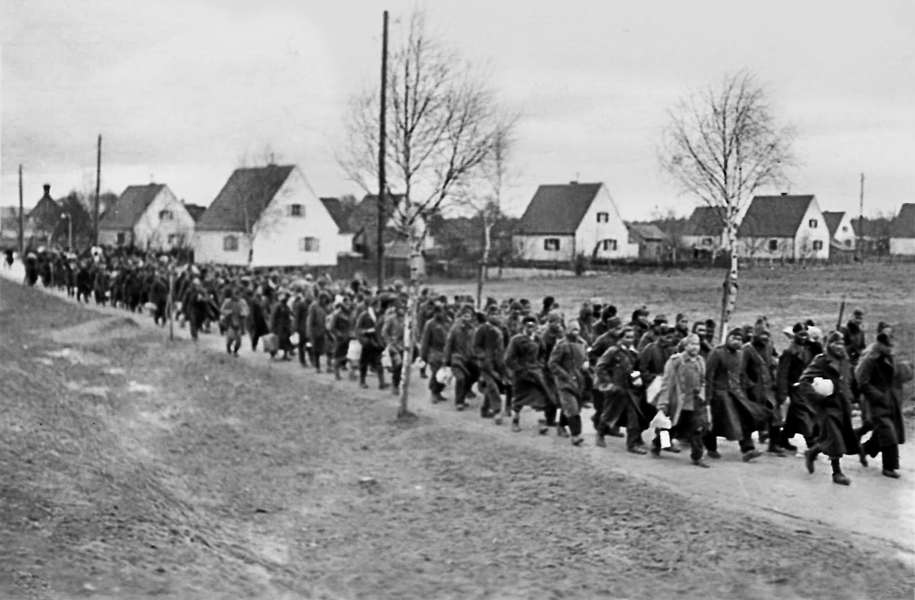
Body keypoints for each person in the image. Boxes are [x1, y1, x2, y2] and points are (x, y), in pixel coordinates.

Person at [799, 331, 860, 485]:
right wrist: (819, 397)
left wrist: (854, 399)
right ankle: (837, 473)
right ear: (829, 344)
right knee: (835, 438)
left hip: (842, 404)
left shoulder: (845, 361)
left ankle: (812, 452)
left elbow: (849, 382)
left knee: (836, 436)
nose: (839, 347)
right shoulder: (821, 361)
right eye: (835, 343)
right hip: (826, 406)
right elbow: (804, 382)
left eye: (841, 343)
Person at [855, 325, 910, 478]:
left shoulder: (889, 358)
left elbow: (896, 376)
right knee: (889, 434)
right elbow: (862, 382)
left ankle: (865, 449)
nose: (890, 348)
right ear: (880, 345)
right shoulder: (870, 359)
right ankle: (889, 467)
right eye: (888, 345)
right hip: (876, 403)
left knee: (884, 433)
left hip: (891, 402)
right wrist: (878, 396)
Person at [703, 328, 765, 462]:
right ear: (728, 338)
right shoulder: (717, 353)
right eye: (734, 338)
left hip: (737, 394)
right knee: (714, 423)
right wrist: (708, 399)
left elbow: (741, 374)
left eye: (740, 339)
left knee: (745, 419)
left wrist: (749, 389)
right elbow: (709, 377)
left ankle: (748, 449)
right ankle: (710, 448)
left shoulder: (740, 354)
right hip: (719, 395)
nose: (737, 342)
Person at [654, 334, 710, 466]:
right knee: (669, 427)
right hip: (677, 402)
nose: (695, 347)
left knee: (698, 428)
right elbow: (667, 383)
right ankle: (659, 444)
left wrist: (703, 396)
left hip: (694, 402)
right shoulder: (675, 361)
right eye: (692, 344)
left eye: (697, 344)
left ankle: (697, 457)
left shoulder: (701, 361)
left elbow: (703, 381)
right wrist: (663, 403)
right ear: (685, 346)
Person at [595, 326, 650, 453]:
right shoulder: (613, 351)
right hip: (615, 390)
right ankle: (600, 434)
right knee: (609, 414)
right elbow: (600, 367)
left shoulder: (633, 354)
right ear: (620, 338)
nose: (630, 340)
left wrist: (637, 380)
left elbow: (634, 370)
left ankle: (632, 444)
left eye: (632, 337)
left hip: (629, 391)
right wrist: (609, 383)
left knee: (633, 418)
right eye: (627, 337)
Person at [504, 315, 555, 432]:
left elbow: (543, 353)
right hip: (521, 375)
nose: (530, 328)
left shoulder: (538, 339)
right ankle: (515, 421)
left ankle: (542, 423)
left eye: (533, 326)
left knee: (540, 397)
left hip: (536, 374)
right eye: (528, 326)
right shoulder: (516, 340)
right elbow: (509, 359)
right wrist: (519, 369)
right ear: (523, 326)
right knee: (518, 400)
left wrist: (540, 365)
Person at [741, 326, 784, 456]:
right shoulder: (747, 350)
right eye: (762, 334)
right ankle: (748, 447)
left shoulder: (768, 347)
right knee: (750, 419)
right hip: (754, 391)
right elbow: (742, 371)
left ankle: (774, 444)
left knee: (776, 417)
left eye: (767, 335)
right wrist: (750, 386)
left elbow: (772, 365)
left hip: (768, 389)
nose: (765, 337)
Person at [548, 320, 588, 446]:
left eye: (577, 329)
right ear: (567, 330)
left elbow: (585, 356)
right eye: (573, 329)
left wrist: (586, 362)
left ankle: (561, 425)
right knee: (572, 407)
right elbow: (552, 363)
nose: (575, 332)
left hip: (579, 380)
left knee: (573, 406)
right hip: (564, 382)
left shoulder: (582, 343)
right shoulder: (561, 345)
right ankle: (576, 435)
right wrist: (565, 375)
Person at [778, 323, 814, 452]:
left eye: (805, 334)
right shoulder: (789, 352)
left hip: (803, 388)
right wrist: (783, 393)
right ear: (795, 335)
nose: (804, 337)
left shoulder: (806, 350)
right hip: (792, 388)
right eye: (801, 334)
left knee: (793, 417)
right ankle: (811, 442)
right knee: (802, 414)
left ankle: (782, 438)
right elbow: (782, 373)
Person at [444, 305, 478, 411]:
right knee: (460, 378)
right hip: (457, 359)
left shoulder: (473, 329)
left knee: (475, 374)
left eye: (469, 316)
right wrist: (446, 360)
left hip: (469, 359)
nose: (467, 318)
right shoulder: (455, 329)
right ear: (461, 316)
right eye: (465, 315)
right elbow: (449, 344)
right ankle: (459, 402)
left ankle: (465, 393)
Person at [420, 304, 450, 403]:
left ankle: (439, 392)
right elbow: (425, 341)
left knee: (445, 374)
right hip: (434, 352)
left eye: (441, 311)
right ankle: (433, 393)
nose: (440, 314)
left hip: (446, 352)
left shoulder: (447, 322)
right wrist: (423, 356)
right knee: (436, 373)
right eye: (438, 312)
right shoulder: (430, 324)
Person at [356, 298, 387, 390]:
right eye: (377, 305)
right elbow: (358, 329)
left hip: (377, 343)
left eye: (379, 305)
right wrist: (366, 333)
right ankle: (362, 381)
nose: (379, 307)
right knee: (364, 363)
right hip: (368, 342)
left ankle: (382, 383)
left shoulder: (380, 316)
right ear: (373, 305)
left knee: (379, 363)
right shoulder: (364, 315)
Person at [219, 287, 248, 355]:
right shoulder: (227, 301)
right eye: (235, 294)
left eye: (238, 294)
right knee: (230, 339)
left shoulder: (242, 302)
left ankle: (235, 351)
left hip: (239, 324)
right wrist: (229, 312)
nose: (237, 296)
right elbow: (222, 310)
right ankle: (228, 349)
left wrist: (243, 313)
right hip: (230, 323)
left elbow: (246, 311)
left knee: (239, 341)